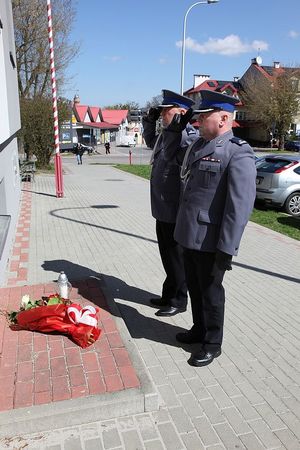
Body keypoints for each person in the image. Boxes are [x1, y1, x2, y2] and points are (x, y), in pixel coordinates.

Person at [174, 90, 257, 366]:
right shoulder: (198, 146)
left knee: (211, 294)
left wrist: (227, 248)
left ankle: (212, 342)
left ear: (223, 118)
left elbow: (239, 206)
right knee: (195, 289)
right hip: (189, 234)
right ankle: (199, 329)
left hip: (212, 241)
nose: (197, 122)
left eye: (203, 117)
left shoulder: (237, 152)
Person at [143, 90, 198, 316]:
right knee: (167, 256)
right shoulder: (167, 135)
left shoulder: (188, 137)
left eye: (168, 111)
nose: (164, 115)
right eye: (163, 111)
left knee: (177, 258)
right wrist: (149, 120)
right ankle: (169, 294)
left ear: (182, 113)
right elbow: (149, 141)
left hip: (176, 210)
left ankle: (178, 300)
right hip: (162, 209)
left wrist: (177, 129)